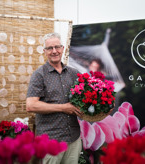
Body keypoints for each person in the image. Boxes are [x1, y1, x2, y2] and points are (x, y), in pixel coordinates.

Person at [26, 32, 83, 164]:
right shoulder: (39, 75)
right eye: (50, 48)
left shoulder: (74, 73)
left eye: (57, 47)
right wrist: (63, 108)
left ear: (62, 48)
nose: (54, 51)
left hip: (73, 138)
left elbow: (86, 96)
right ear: (45, 51)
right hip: (51, 141)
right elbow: (31, 105)